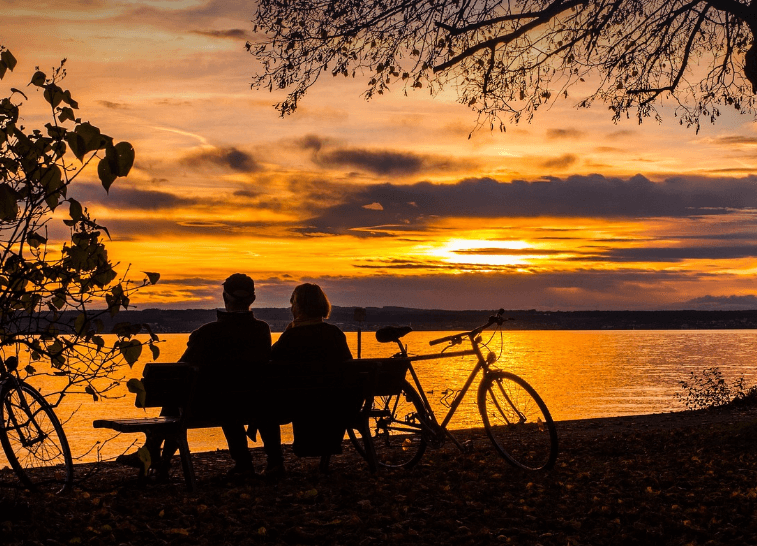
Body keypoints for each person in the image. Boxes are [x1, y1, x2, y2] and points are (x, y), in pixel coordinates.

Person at [118, 273, 275, 477]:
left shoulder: (207, 333)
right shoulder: (262, 331)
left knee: (178, 393)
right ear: (253, 299)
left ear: (225, 297)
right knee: (202, 395)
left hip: (207, 408)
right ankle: (159, 457)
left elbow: (178, 372)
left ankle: (154, 454)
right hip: (252, 403)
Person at [268, 283, 353, 463]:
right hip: (335, 403)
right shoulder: (335, 334)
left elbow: (269, 362)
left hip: (301, 404)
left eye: (292, 303)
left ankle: (275, 462)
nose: (291, 307)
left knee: (263, 404)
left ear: (298, 306)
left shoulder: (292, 337)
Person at [271, 283, 353, 361]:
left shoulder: (290, 337)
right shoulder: (335, 334)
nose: (292, 309)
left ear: (299, 308)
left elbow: (269, 358)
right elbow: (349, 364)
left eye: (293, 304)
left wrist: (287, 331)